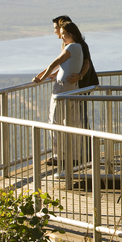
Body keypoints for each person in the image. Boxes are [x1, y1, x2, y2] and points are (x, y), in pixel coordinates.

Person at [33, 21, 85, 165]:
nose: (60, 38)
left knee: (55, 120)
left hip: (63, 88)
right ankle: (74, 156)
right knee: (73, 121)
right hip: (73, 87)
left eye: (63, 35)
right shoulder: (79, 47)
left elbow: (54, 63)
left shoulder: (71, 47)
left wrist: (40, 78)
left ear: (71, 34)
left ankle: (58, 156)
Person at [52, 15, 98, 88]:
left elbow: (86, 63)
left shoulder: (80, 44)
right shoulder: (65, 44)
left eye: (56, 28)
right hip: (73, 83)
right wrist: (55, 74)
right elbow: (65, 63)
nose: (55, 31)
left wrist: (79, 76)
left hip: (83, 83)